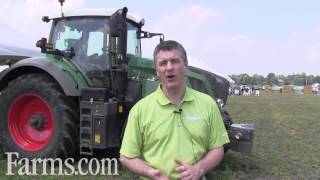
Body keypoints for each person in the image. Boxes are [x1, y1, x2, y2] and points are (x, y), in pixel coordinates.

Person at [119, 40, 230, 179]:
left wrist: (199, 169)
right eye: (163, 63)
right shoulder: (140, 110)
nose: (169, 67)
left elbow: (217, 148)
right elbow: (126, 157)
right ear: (156, 70)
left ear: (186, 65)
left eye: (175, 61)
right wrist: (150, 173)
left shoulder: (208, 104)